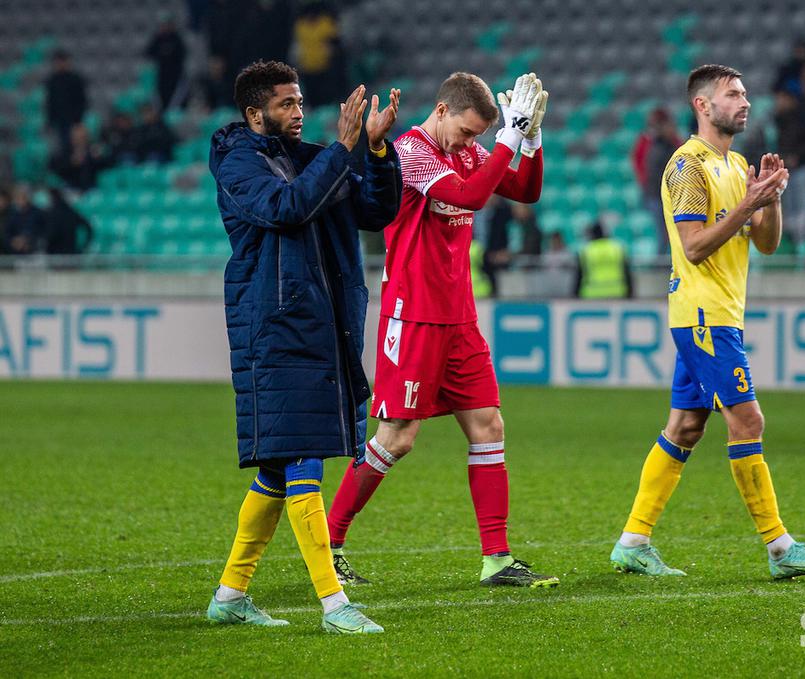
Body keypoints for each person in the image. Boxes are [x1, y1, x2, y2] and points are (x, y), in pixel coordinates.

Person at [610, 64, 805, 579]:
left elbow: (766, 242)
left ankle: (633, 541)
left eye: (746, 94)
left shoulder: (737, 164)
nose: (745, 102)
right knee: (748, 421)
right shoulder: (686, 166)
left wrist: (770, 199)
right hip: (702, 315)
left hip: (719, 314)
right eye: (733, 94)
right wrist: (747, 204)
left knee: (687, 424)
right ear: (702, 105)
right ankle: (781, 549)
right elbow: (693, 248)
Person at [326, 72, 559, 588]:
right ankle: (329, 541)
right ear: (442, 110)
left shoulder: (470, 153)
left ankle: (496, 558)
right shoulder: (410, 152)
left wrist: (531, 139)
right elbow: (474, 197)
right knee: (397, 437)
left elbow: (525, 189)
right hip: (414, 318)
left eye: (479, 136)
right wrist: (506, 140)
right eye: (467, 131)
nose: (469, 142)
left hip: (460, 318)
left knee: (488, 427)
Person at [205, 60, 402, 634]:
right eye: (286, 104)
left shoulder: (310, 155)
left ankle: (230, 595)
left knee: (276, 467)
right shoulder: (239, 163)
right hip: (275, 323)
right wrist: (342, 153)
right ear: (254, 113)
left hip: (319, 322)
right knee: (304, 455)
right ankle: (334, 604)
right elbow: (285, 209)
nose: (298, 112)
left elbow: (374, 209)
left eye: (299, 102)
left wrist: (375, 150)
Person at [632, 107, 683, 253]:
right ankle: (662, 262)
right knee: (663, 232)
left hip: (669, 194)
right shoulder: (653, 145)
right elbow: (646, 168)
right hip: (657, 194)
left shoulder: (673, 145)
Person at [44, 50, 88, 154]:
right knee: (61, 146)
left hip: (73, 120)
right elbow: (50, 102)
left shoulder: (75, 79)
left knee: (73, 145)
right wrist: (50, 119)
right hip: (59, 120)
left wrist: (78, 119)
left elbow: (81, 100)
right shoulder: (52, 80)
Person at [575, 220, 632, 298]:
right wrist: (630, 292)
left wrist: (575, 294)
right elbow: (627, 273)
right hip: (616, 292)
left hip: (592, 293)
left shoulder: (586, 250)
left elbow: (579, 275)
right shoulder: (617, 248)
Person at [144, 13, 188, 110]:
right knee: (161, 101)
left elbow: (183, 54)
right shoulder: (158, 38)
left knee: (174, 102)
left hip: (175, 76)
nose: (165, 27)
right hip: (161, 75)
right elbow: (148, 52)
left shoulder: (177, 39)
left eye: (167, 24)